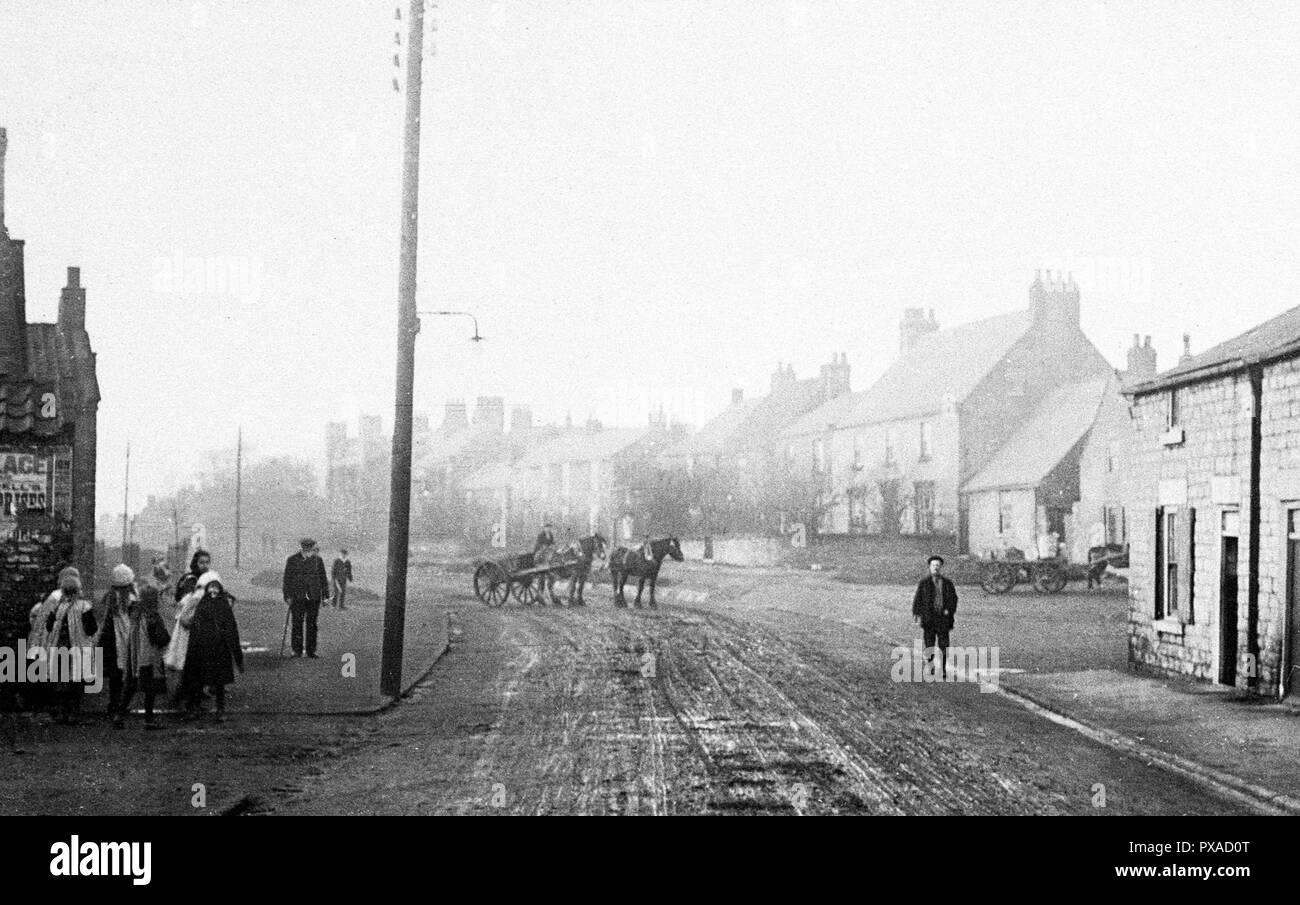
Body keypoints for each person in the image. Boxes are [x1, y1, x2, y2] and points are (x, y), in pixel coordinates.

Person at [28, 567, 98, 724]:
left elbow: (47, 626)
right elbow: (92, 628)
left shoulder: (56, 605)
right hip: (78, 649)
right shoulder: (84, 606)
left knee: (60, 680)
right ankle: (74, 713)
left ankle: (61, 712)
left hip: (58, 647)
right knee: (77, 681)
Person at [179, 572, 243, 722]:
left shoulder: (223, 606)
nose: (213, 592)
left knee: (218, 682)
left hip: (218, 649)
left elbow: (232, 630)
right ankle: (196, 707)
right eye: (211, 589)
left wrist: (237, 656)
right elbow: (195, 629)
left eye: (216, 589)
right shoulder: (204, 605)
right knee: (200, 680)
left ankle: (219, 710)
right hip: (204, 650)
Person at [120, 583, 170, 729]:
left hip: (134, 657)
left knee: (130, 687)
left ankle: (119, 715)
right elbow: (161, 638)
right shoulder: (153, 616)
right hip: (149, 658)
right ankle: (149, 719)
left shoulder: (135, 614)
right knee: (150, 689)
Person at [100, 565, 138, 729]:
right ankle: (121, 706)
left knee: (114, 676)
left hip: (111, 641)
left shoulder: (110, 598)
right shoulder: (132, 598)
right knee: (128, 675)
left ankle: (113, 704)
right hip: (127, 640)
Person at [911, 555, 958, 680]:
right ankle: (930, 667)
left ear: (941, 567)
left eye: (938, 565)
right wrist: (917, 613)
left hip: (943, 618)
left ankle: (942, 669)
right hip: (929, 619)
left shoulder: (947, 583)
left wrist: (949, 610)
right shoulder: (924, 583)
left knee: (944, 645)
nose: (936, 568)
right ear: (930, 567)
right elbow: (918, 599)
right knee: (929, 644)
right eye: (933, 565)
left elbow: (954, 599)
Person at [283, 538, 329, 658]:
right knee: (297, 623)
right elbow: (287, 579)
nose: (309, 550)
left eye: (310, 547)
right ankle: (297, 651)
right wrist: (287, 596)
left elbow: (323, 579)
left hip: (314, 597)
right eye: (306, 547)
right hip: (297, 597)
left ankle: (311, 651)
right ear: (302, 547)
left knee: (312, 624)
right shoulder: (292, 560)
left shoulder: (318, 561)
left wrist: (325, 597)